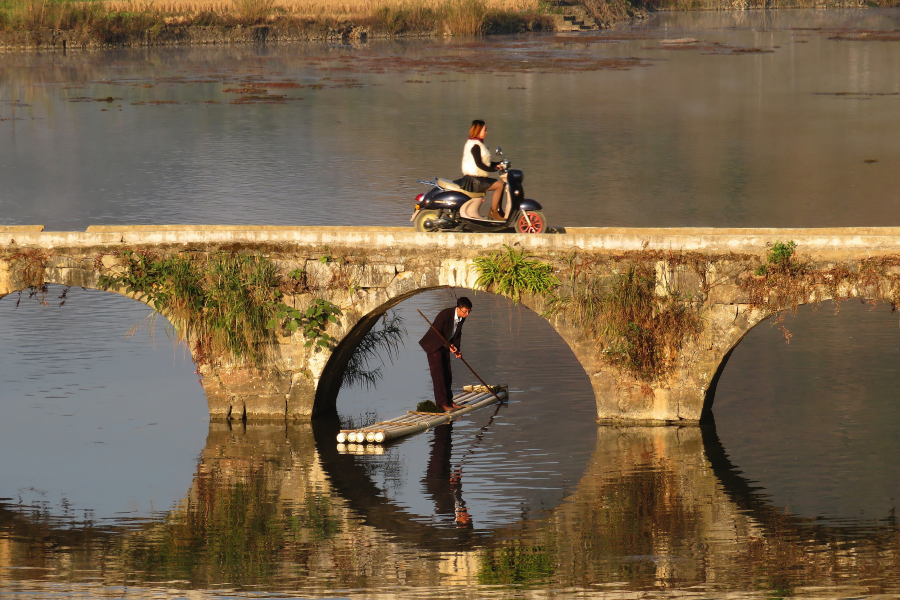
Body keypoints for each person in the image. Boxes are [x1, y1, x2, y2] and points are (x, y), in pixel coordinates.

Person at [419, 297, 471, 412]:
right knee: (439, 375)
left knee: (448, 373)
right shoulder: (445, 314)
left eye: (468, 312)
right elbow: (437, 334)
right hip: (433, 346)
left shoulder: (462, 318)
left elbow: (457, 335)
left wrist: (457, 349)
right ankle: (441, 403)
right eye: (465, 311)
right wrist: (449, 346)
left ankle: (449, 401)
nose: (467, 314)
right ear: (458, 308)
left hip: (444, 346)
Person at [455, 120, 505, 221]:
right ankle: (493, 212)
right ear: (478, 131)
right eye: (484, 130)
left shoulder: (478, 144)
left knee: (500, 184)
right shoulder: (475, 146)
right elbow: (479, 164)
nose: (486, 132)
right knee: (500, 185)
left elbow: (485, 163)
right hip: (474, 180)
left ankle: (497, 211)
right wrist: (493, 169)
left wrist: (498, 164)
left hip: (477, 178)